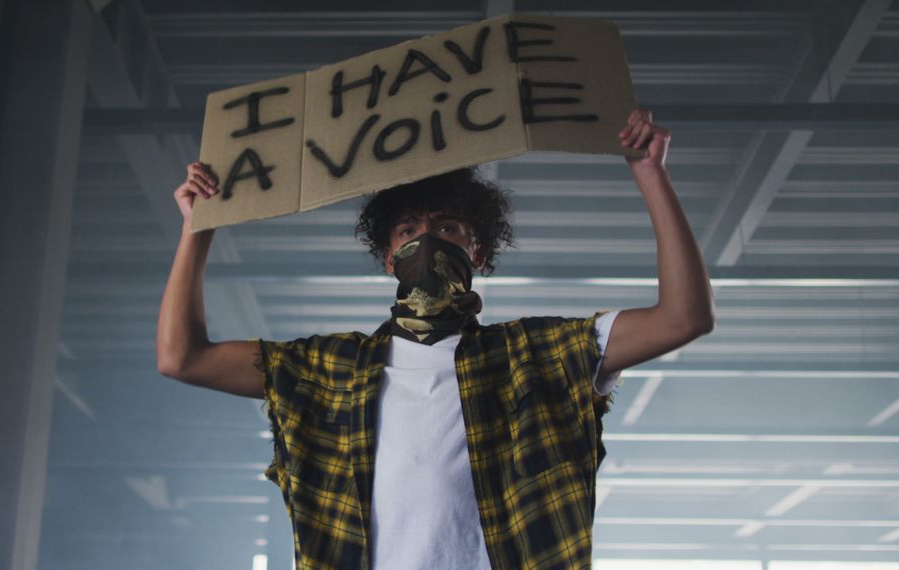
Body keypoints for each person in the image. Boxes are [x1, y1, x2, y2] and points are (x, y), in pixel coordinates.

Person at [157, 109, 715, 569]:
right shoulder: (328, 370)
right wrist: (197, 231)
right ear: (387, 258)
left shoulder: (538, 355)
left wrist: (651, 175)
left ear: (477, 252)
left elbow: (683, 318)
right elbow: (181, 358)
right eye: (408, 231)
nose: (426, 241)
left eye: (446, 227)